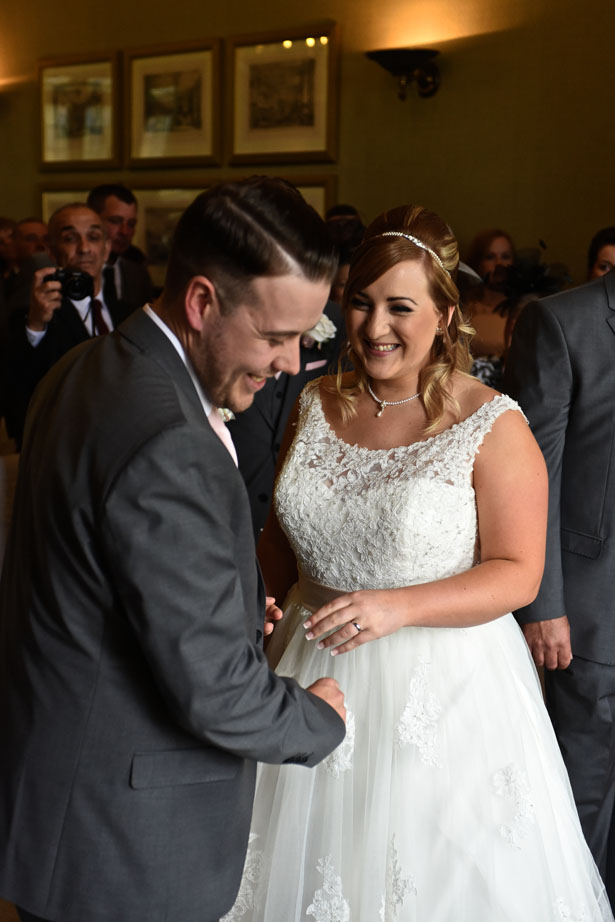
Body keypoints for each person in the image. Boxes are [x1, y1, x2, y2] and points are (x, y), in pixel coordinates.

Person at [224, 205, 613, 922]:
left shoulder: (491, 423)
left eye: (400, 307)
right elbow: (281, 536)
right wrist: (254, 602)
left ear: (443, 313)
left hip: (443, 691)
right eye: (361, 304)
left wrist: (395, 605)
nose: (375, 328)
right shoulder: (314, 403)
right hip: (306, 663)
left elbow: (517, 571)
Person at [0, 177, 346, 922]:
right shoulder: (172, 439)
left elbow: (95, 570)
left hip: (61, 805)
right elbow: (215, 693)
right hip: (125, 845)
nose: (290, 363)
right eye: (276, 335)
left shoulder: (88, 368)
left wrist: (223, 599)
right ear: (200, 303)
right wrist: (317, 715)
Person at [505, 266, 615, 908]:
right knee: (582, 809)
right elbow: (532, 474)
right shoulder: (563, 322)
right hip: (596, 614)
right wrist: (542, 604)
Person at [2, 202, 134, 448]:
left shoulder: (130, 312)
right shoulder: (35, 314)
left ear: (106, 249)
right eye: (70, 239)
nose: (84, 249)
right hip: (63, 447)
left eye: (93, 237)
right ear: (52, 251)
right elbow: (21, 387)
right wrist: (37, 324)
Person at [227, 298, 345, 540]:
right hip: (231, 513)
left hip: (300, 527)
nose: (292, 364)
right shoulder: (235, 313)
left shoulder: (337, 318)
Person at [87, 183, 154, 306]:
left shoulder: (138, 274)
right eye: (115, 221)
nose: (125, 231)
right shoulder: (77, 268)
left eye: (131, 224)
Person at [464, 227, 515, 358]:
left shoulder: (523, 309)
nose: (499, 264)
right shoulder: (463, 308)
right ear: (479, 262)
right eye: (490, 257)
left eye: (505, 256)